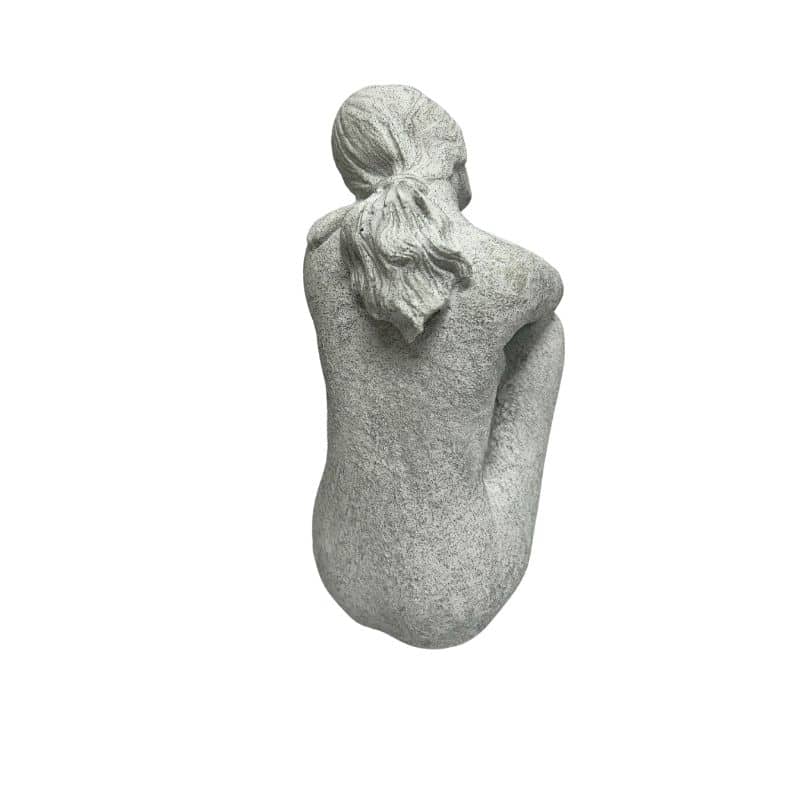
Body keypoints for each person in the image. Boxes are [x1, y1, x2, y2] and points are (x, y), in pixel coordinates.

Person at [304, 85, 564, 647]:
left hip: (338, 561)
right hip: (453, 592)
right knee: (545, 334)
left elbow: (357, 234)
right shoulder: (504, 273)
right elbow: (551, 287)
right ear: (452, 154)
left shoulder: (319, 261)